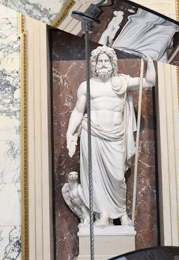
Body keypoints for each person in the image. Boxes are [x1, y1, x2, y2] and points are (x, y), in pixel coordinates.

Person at [66, 46, 155, 228]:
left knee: (118, 177)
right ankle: (103, 215)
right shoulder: (87, 86)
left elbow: (149, 81)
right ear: (94, 64)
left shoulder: (121, 83)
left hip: (115, 136)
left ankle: (121, 213)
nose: (103, 64)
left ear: (113, 63)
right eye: (100, 61)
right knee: (95, 177)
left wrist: (149, 61)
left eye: (106, 60)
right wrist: (69, 133)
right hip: (92, 133)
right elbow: (78, 111)